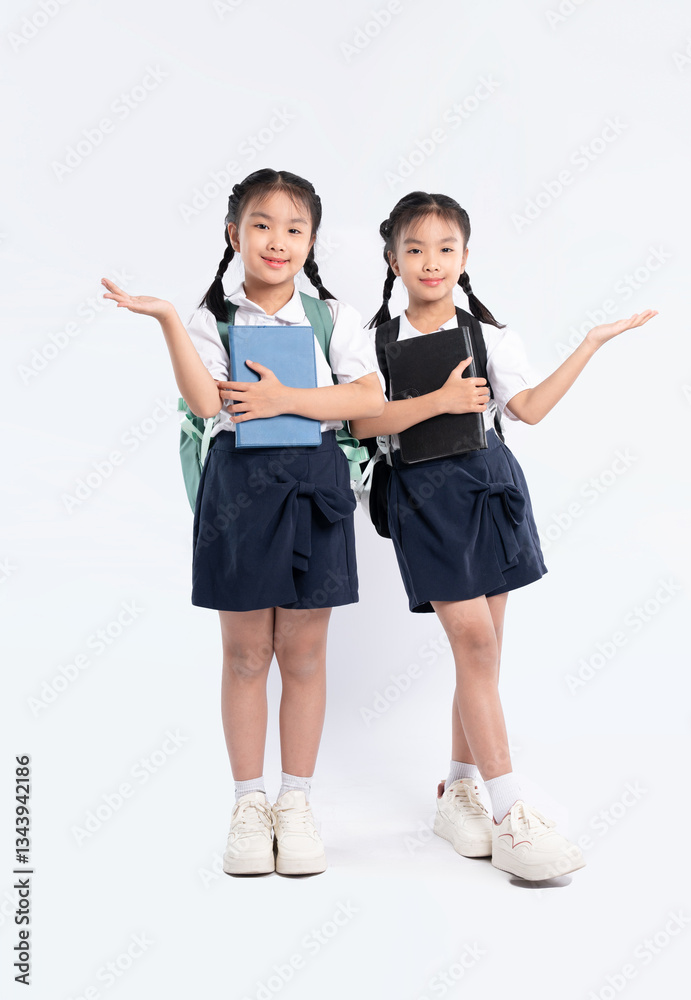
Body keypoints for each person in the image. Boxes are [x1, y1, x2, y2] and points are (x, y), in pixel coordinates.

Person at [349, 191, 657, 881]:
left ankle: (458, 789)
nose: (431, 262)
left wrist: (591, 342)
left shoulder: (489, 334)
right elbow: (359, 425)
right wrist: (434, 403)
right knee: (475, 642)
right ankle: (512, 811)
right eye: (415, 248)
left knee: (482, 654)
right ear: (391, 257)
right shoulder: (366, 339)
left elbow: (529, 410)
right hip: (421, 497)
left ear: (465, 255)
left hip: (489, 486)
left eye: (446, 248)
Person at [101, 168, 383, 877]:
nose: (277, 241)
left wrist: (286, 397)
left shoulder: (332, 318)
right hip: (240, 493)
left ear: (311, 239)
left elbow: (368, 400)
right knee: (245, 654)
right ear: (234, 234)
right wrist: (168, 317)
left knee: (307, 655)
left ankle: (297, 801)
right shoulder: (212, 318)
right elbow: (204, 405)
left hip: (315, 487)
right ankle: (248, 805)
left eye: (294, 228)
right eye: (261, 225)